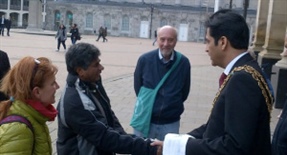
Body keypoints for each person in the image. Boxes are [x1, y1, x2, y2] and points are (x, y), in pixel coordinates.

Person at [152, 9, 274, 155]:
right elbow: (215, 126)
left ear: (223, 42)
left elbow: (234, 146)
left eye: (208, 41)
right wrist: (175, 143)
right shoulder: (247, 70)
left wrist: (181, 148)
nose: (206, 49)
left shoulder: (242, 79)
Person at [56, 42, 159, 155]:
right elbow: (104, 137)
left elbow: (108, 115)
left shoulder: (93, 82)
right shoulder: (74, 101)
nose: (101, 68)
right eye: (96, 65)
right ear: (80, 71)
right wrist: (151, 148)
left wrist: (123, 136)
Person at [132, 25, 191, 141]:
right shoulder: (145, 60)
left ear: (176, 41)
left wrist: (172, 103)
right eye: (162, 39)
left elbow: (184, 91)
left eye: (170, 40)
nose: (166, 44)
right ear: (156, 39)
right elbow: (138, 88)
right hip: (145, 119)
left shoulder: (183, 62)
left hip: (170, 122)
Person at [0, 56, 59, 154]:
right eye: (52, 83)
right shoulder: (18, 129)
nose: (57, 86)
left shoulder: (34, 115)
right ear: (37, 92)